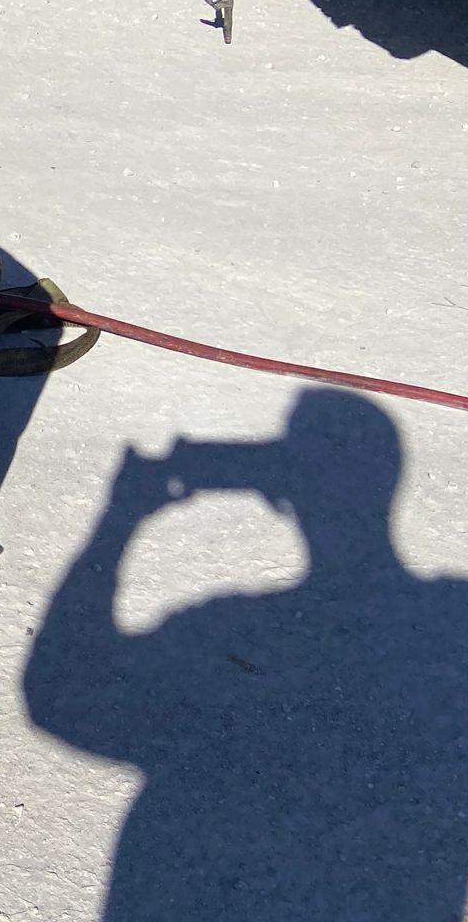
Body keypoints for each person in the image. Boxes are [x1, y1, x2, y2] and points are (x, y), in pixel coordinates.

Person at [25, 388, 468, 920]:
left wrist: (120, 519)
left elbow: (56, 699)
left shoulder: (221, 628)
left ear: (284, 496)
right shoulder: (451, 619)